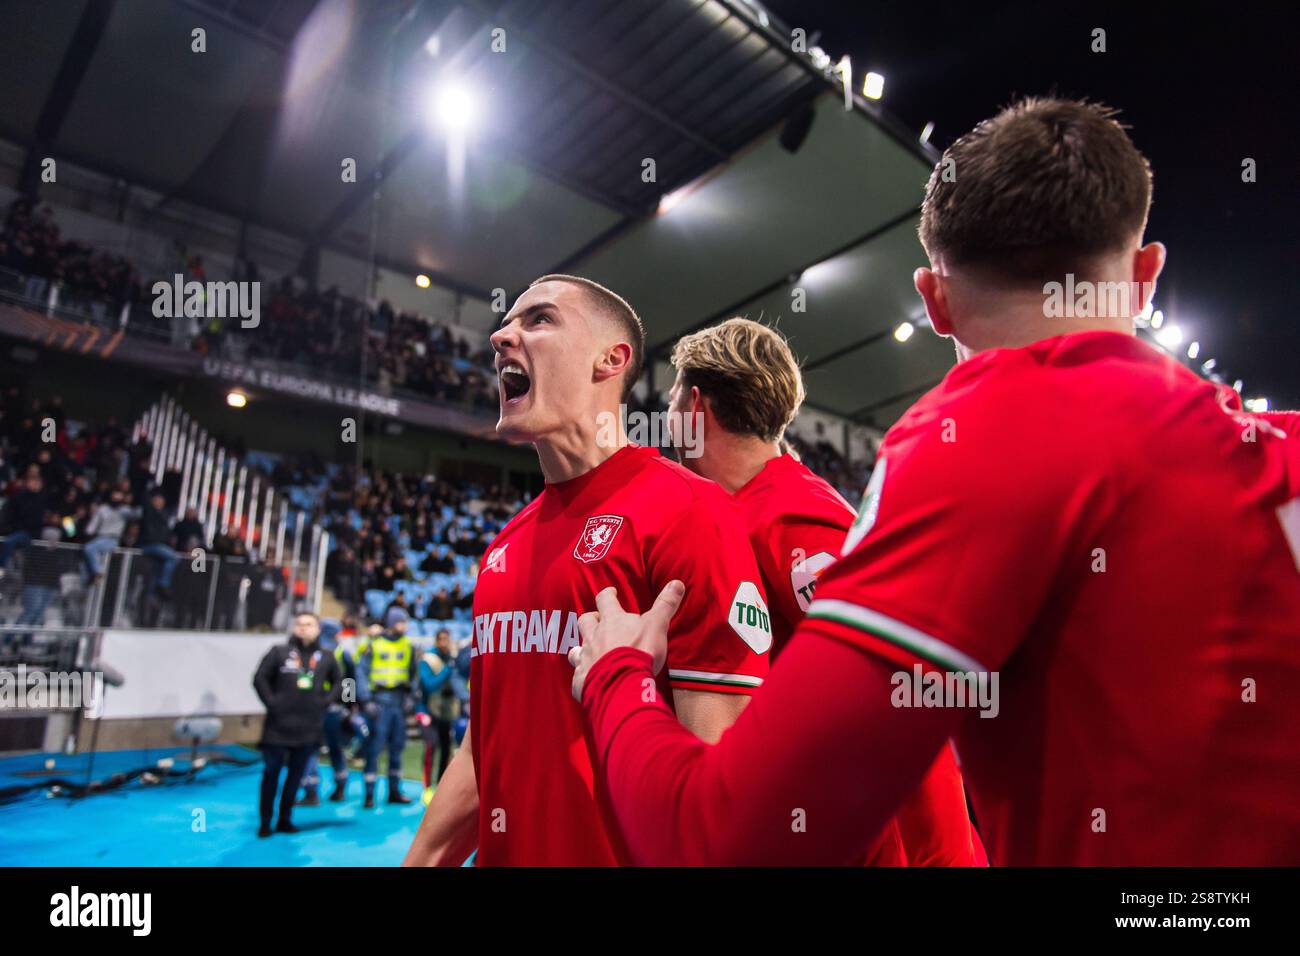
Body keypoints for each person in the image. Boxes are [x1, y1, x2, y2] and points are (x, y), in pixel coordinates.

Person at [568, 97, 1300, 866]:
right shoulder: (1280, 450)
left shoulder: (974, 444)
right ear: (1146, 277)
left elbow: (726, 842)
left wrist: (617, 676)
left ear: (934, 299)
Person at [404, 275, 772, 867]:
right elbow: (485, 749)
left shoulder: (691, 513)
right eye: (506, 324)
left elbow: (724, 780)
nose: (502, 336)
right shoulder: (504, 546)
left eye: (538, 320)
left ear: (612, 358)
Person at [664, 316, 980, 867]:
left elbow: (898, 693)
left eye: (669, 399)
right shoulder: (736, 511)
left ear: (695, 408)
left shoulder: (797, 521)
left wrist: (947, 861)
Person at [252, 612, 342, 837]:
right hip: (277, 726)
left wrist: (326, 701)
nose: (304, 628)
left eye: (309, 624)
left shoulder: (327, 657)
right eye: (300, 624)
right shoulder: (279, 652)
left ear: (318, 629)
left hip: (308, 726)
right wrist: (272, 702)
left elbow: (343, 682)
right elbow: (259, 678)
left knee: (295, 776)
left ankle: (285, 818)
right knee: (271, 773)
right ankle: (265, 821)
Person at [356, 606, 418, 808]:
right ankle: (369, 794)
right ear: (392, 623)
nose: (405, 626)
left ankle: (394, 791)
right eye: (401, 621)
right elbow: (361, 673)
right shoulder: (374, 644)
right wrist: (365, 700)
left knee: (397, 748)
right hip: (379, 701)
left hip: (398, 702)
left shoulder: (408, 646)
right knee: (373, 749)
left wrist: (411, 696)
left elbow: (413, 674)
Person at [415, 628, 458, 801]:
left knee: (447, 749)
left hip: (447, 711)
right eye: (441, 639)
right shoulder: (428, 659)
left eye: (447, 639)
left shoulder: (452, 659)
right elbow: (429, 685)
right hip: (427, 711)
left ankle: (441, 785)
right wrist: (447, 671)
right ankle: (426, 787)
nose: (444, 643)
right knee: (431, 746)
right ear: (436, 640)